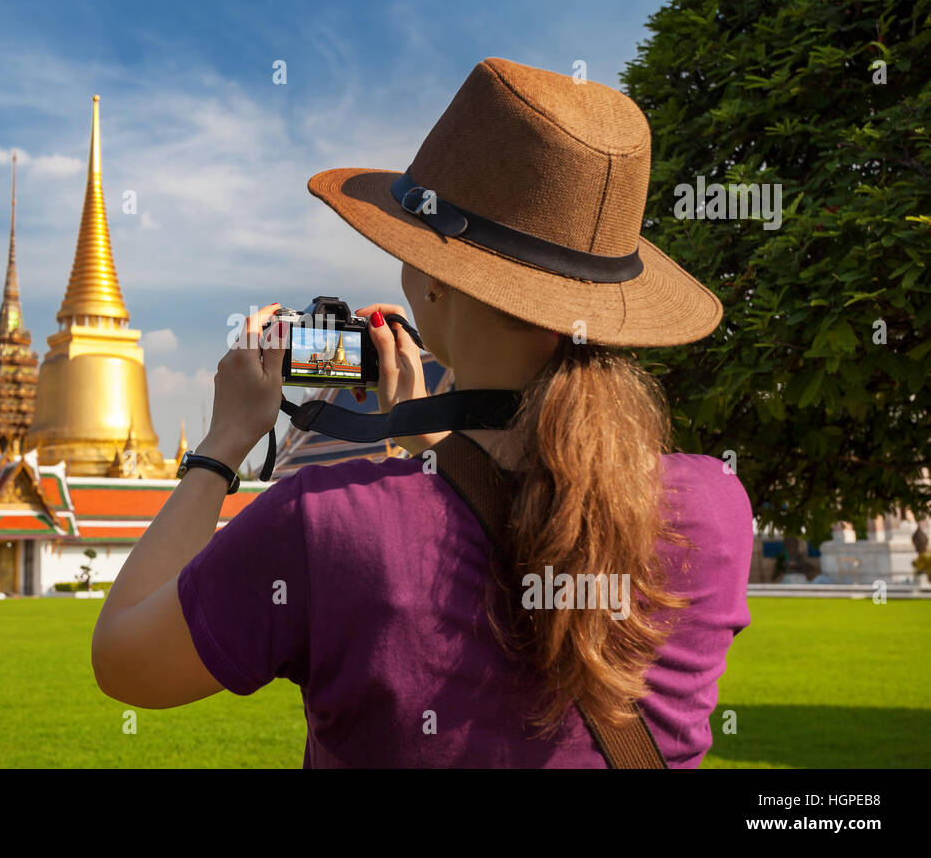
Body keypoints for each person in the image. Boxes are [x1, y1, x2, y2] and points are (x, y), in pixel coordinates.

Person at [91, 57, 753, 767]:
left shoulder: (325, 525)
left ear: (433, 279)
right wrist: (441, 455)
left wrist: (222, 445)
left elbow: (125, 658)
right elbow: (521, 526)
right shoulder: (714, 507)